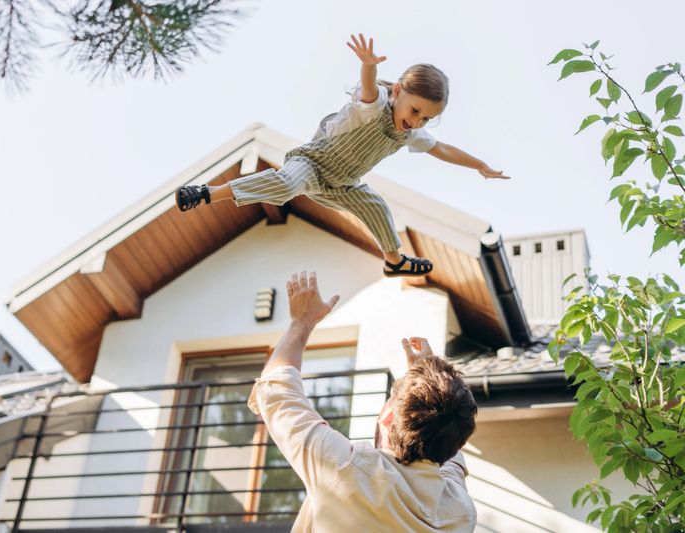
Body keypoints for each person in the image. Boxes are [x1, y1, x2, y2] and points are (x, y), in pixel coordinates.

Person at [175, 33, 509, 278]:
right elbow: (367, 88)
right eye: (416, 110)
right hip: (311, 164)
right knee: (286, 186)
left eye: (426, 118)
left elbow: (443, 148)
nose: (417, 121)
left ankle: (394, 260)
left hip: (342, 184)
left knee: (376, 207)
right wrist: (367, 66)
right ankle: (207, 193)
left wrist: (479, 165)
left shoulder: (410, 133)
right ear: (397, 92)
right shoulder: (375, 104)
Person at [248, 271, 478, 532]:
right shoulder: (459, 510)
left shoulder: (345, 468)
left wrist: (302, 322)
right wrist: (426, 376)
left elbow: (278, 388)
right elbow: (447, 441)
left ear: (389, 418)